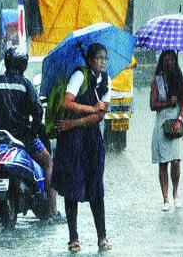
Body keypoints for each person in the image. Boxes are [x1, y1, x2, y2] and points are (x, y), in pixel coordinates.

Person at [0, 47, 58, 226]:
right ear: (22, 64)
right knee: (49, 162)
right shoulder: (25, 84)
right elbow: (36, 111)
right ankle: (52, 212)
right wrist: (35, 127)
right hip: (23, 137)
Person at [52, 43, 112, 253]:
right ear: (90, 59)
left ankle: (102, 237)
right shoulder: (79, 76)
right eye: (98, 58)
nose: (102, 62)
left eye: (105, 58)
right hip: (72, 142)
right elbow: (67, 103)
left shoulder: (106, 80)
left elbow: (100, 115)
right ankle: (73, 238)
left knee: (96, 187)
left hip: (91, 138)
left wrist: (75, 123)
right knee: (72, 187)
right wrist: (90, 108)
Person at [150, 50, 183, 211]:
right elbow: (152, 105)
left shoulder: (180, 79)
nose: (169, 62)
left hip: (175, 123)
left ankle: (175, 193)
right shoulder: (157, 81)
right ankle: (165, 198)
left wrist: (179, 119)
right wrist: (167, 103)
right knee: (163, 163)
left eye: (172, 59)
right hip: (161, 124)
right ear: (162, 62)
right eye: (166, 59)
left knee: (176, 161)